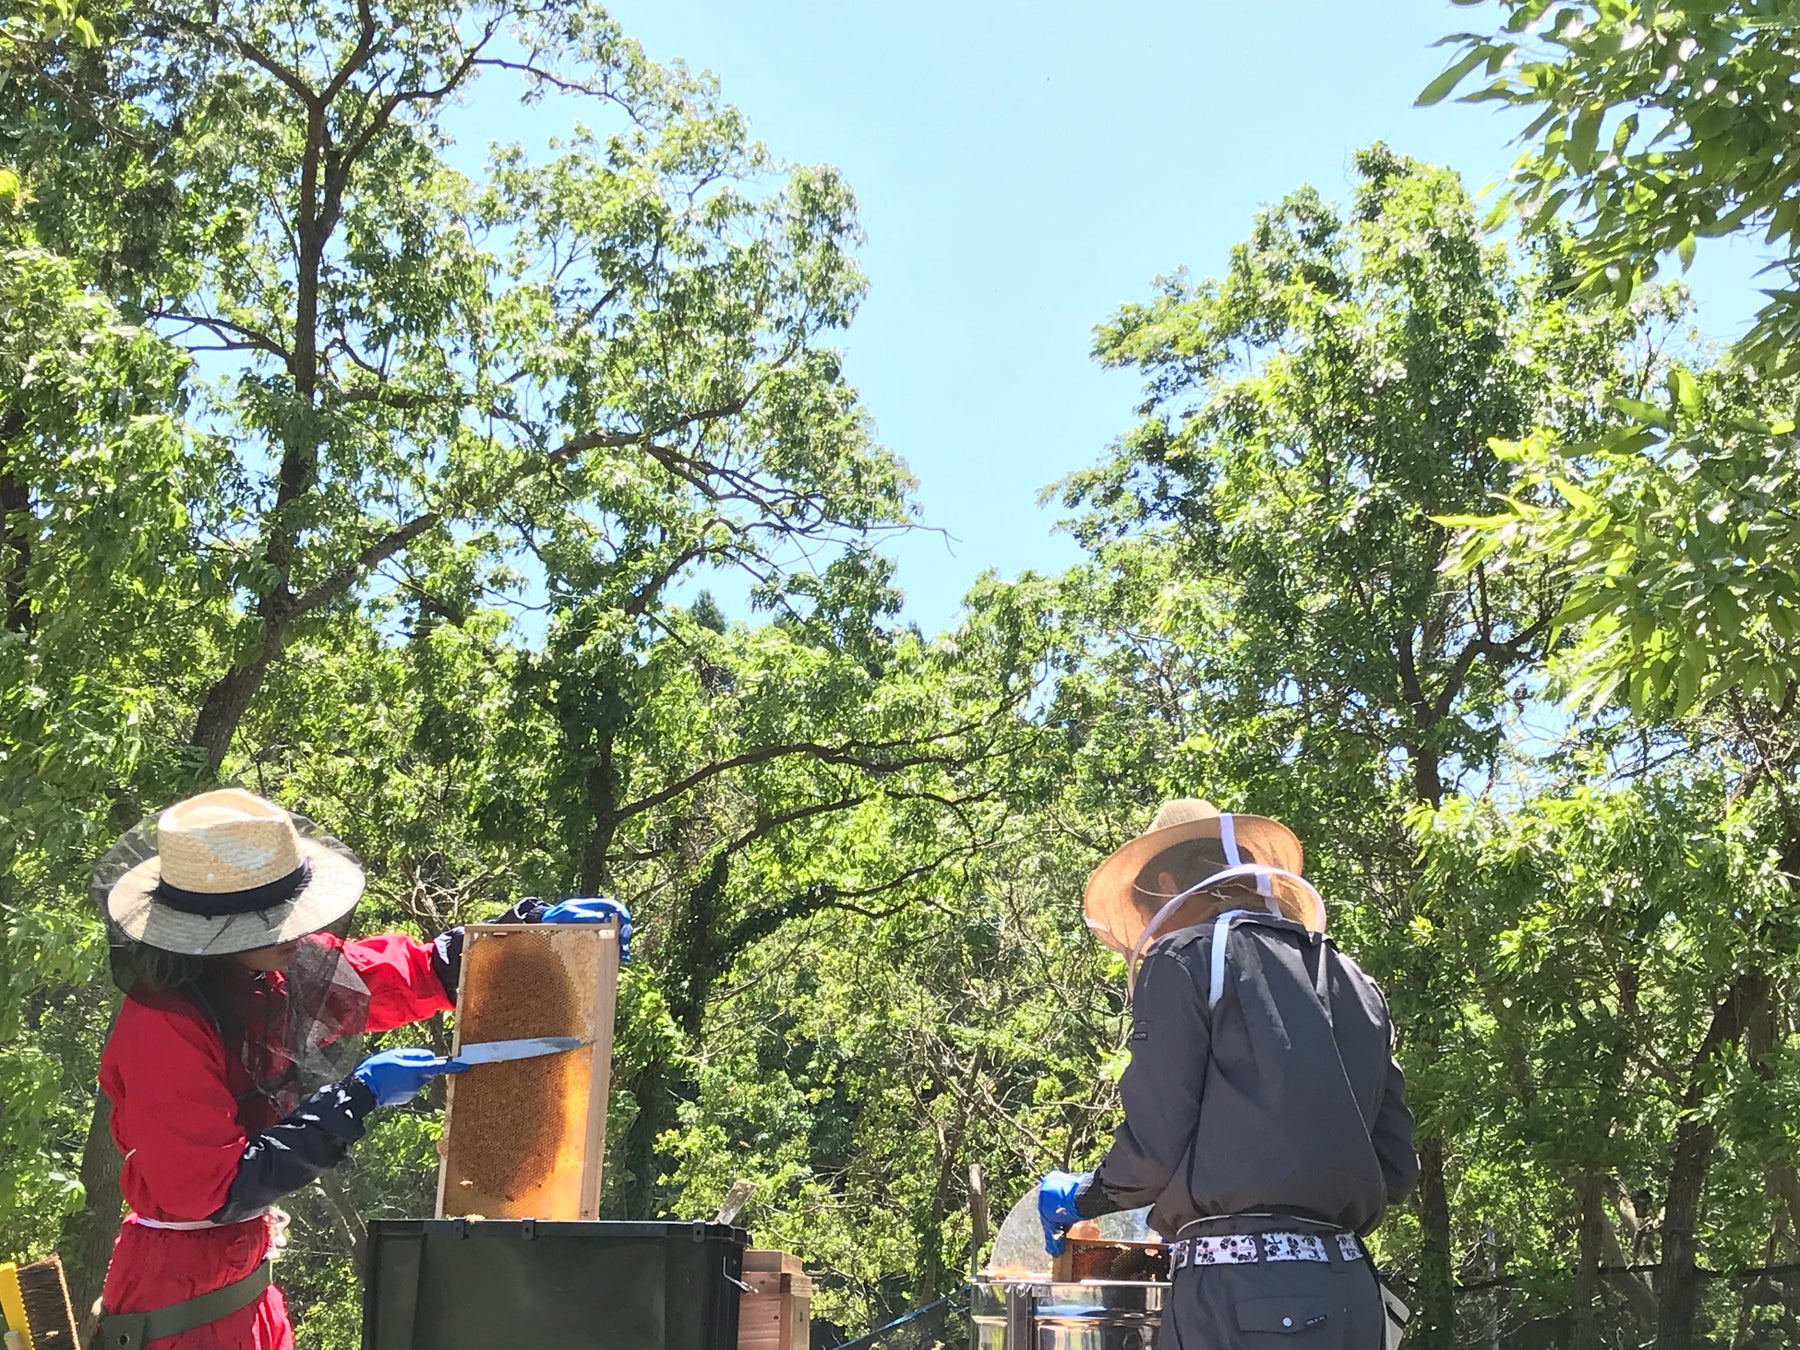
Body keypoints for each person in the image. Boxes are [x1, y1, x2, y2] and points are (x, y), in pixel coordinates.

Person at [91, 788, 631, 1350]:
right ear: (215, 928)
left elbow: (405, 975)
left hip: (245, 1281)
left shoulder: (265, 969)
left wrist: (528, 929)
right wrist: (356, 1097)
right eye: (271, 921)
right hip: (181, 1304)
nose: (296, 931)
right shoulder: (162, 1027)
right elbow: (213, 1189)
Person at [1037, 798, 1417, 1348]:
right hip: (1351, 1292)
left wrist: (1086, 1197)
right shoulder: (1353, 980)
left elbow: (1154, 1145)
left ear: (1167, 885)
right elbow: (1397, 1168)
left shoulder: (1186, 956)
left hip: (1237, 1295)